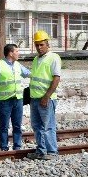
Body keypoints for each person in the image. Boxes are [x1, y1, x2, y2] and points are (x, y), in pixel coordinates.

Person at [27, 30, 61, 160]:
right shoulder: (36, 59)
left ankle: (52, 152)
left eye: (41, 45)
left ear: (47, 44)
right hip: (35, 98)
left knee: (48, 126)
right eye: (37, 45)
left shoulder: (54, 58)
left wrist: (46, 96)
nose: (39, 47)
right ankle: (41, 151)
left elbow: (56, 78)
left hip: (46, 99)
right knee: (37, 126)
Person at [0, 43, 30, 151]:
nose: (18, 53)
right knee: (4, 126)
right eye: (17, 51)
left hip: (18, 99)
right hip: (4, 101)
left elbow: (29, 73)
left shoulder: (18, 65)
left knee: (17, 125)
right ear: (10, 53)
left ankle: (17, 146)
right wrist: (1, 91)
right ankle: (4, 147)